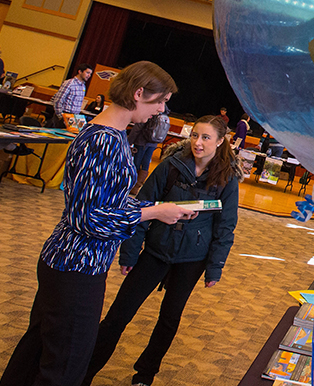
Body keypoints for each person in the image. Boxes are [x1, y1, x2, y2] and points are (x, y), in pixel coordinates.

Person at [0, 61, 194, 386]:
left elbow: (108, 200)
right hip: (77, 266)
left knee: (37, 352)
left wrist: (157, 206)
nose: (162, 110)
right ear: (138, 93)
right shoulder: (103, 140)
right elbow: (88, 216)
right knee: (65, 366)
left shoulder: (110, 134)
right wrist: (153, 213)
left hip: (69, 262)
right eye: (160, 101)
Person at [81, 115, 241, 386]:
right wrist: (130, 254)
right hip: (155, 251)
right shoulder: (171, 166)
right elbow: (141, 209)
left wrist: (215, 267)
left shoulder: (227, 180)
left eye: (205, 138)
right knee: (118, 315)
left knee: (169, 320)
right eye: (194, 136)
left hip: (191, 260)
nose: (198, 143)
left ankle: (144, 376)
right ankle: (84, 373)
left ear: (221, 141)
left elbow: (225, 229)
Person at [128, 104, 171, 192]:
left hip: (141, 142)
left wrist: (129, 142)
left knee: (136, 163)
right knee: (146, 164)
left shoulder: (149, 111)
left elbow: (137, 128)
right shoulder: (164, 113)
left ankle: (131, 184)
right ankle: (137, 187)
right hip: (153, 143)